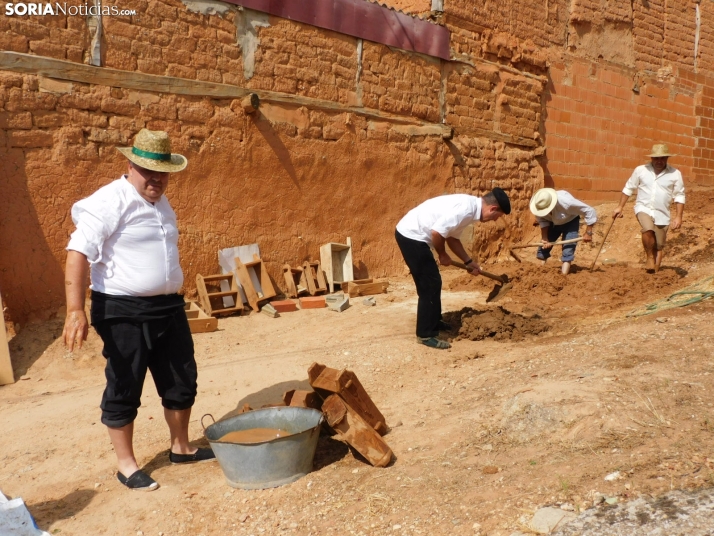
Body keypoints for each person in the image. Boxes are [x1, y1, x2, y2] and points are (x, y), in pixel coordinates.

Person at [62, 129, 215, 492]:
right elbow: (77, 252)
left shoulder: (161, 202)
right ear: (130, 165)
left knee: (181, 377)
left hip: (167, 307)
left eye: (163, 172)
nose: (157, 179)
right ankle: (127, 465)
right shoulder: (110, 200)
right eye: (149, 171)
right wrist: (74, 309)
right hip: (122, 309)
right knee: (125, 383)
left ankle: (181, 447)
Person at [395, 189, 511, 350]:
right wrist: (442, 254)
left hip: (415, 235)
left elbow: (452, 238)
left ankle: (434, 320)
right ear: (492, 209)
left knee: (433, 281)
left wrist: (469, 261)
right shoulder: (466, 209)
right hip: (411, 236)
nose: (493, 220)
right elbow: (437, 232)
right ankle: (425, 334)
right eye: (496, 216)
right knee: (430, 284)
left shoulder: (470, 210)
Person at [613, 144, 685, 273]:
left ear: (667, 158)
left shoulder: (675, 174)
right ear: (651, 158)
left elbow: (679, 195)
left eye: (662, 158)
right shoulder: (641, 170)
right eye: (656, 158)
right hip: (643, 207)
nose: (659, 161)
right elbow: (629, 188)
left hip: (663, 213)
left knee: (659, 246)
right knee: (648, 230)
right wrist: (620, 207)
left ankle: (654, 274)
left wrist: (678, 216)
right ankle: (649, 257)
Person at [529, 188, 597, 275]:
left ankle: (563, 276)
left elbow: (589, 211)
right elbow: (543, 221)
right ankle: (539, 272)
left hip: (570, 221)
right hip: (553, 222)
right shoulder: (537, 204)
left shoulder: (567, 203)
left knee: (568, 249)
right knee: (543, 248)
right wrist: (545, 238)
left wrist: (588, 232)